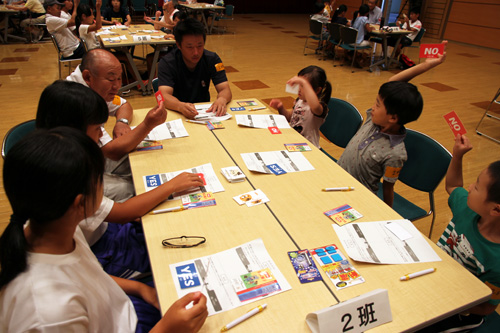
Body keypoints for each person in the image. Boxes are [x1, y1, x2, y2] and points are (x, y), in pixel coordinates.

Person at [0, 127, 208, 332]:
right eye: (100, 179)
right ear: (80, 204)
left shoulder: (53, 227)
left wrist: (140, 288)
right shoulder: (49, 315)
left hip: (124, 309)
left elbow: (91, 276)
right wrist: (166, 329)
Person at [35, 81, 204, 279]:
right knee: (169, 260)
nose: (101, 135)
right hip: (102, 250)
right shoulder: (70, 176)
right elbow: (122, 213)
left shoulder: (62, 156)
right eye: (98, 128)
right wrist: (172, 185)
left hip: (103, 232)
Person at [337, 41, 447, 207]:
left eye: (378, 105)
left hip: (357, 201)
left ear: (393, 118)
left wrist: (388, 217)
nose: (372, 108)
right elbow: (391, 83)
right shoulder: (373, 122)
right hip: (336, 180)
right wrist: (426, 65)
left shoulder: (396, 153)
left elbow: (388, 188)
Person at [417, 135, 500, 332]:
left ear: (496, 210)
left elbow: (486, 307)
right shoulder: (468, 208)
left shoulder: (497, 262)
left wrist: (444, 294)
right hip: (432, 277)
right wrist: (457, 156)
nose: (469, 187)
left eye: (477, 187)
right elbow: (453, 186)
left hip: (459, 311)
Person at [67, 49, 162, 201]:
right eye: (111, 80)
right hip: (76, 176)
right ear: (87, 76)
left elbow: (123, 104)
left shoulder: (94, 87)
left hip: (94, 158)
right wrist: (147, 124)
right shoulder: (78, 101)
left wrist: (121, 122)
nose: (117, 86)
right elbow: (112, 151)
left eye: (119, 79)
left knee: (149, 160)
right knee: (137, 188)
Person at [157, 18, 232, 119]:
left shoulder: (213, 59)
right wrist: (180, 106)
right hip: (176, 113)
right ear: (179, 45)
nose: (196, 52)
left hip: (204, 113)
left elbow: (225, 88)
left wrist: (222, 99)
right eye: (190, 47)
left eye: (200, 46)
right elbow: (163, 96)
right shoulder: (167, 62)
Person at [269, 66, 331, 149]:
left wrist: (304, 82)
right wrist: (280, 107)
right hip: (293, 143)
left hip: (309, 148)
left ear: (317, 90)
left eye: (302, 86)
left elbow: (315, 106)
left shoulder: (319, 107)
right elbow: (290, 117)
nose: (298, 89)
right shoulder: (299, 101)